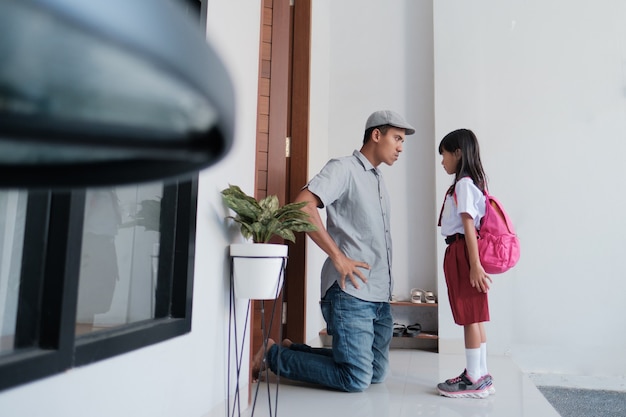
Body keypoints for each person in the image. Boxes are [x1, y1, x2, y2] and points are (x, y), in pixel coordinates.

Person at [252, 110, 416, 392]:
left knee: (377, 373)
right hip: (350, 293)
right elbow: (303, 207)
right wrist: (338, 257)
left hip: (377, 295)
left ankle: (296, 352)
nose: (401, 147)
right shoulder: (343, 168)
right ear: (376, 135)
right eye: (397, 138)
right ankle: (272, 355)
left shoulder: (377, 179)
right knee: (355, 378)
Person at [436, 128, 495, 398]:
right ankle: (481, 374)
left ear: (457, 153)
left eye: (444, 154)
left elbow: (469, 226)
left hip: (462, 251)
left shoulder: (463, 184)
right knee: (476, 315)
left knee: (470, 316)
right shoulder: (474, 183)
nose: (442, 161)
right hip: (464, 252)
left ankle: (473, 378)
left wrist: (473, 264)